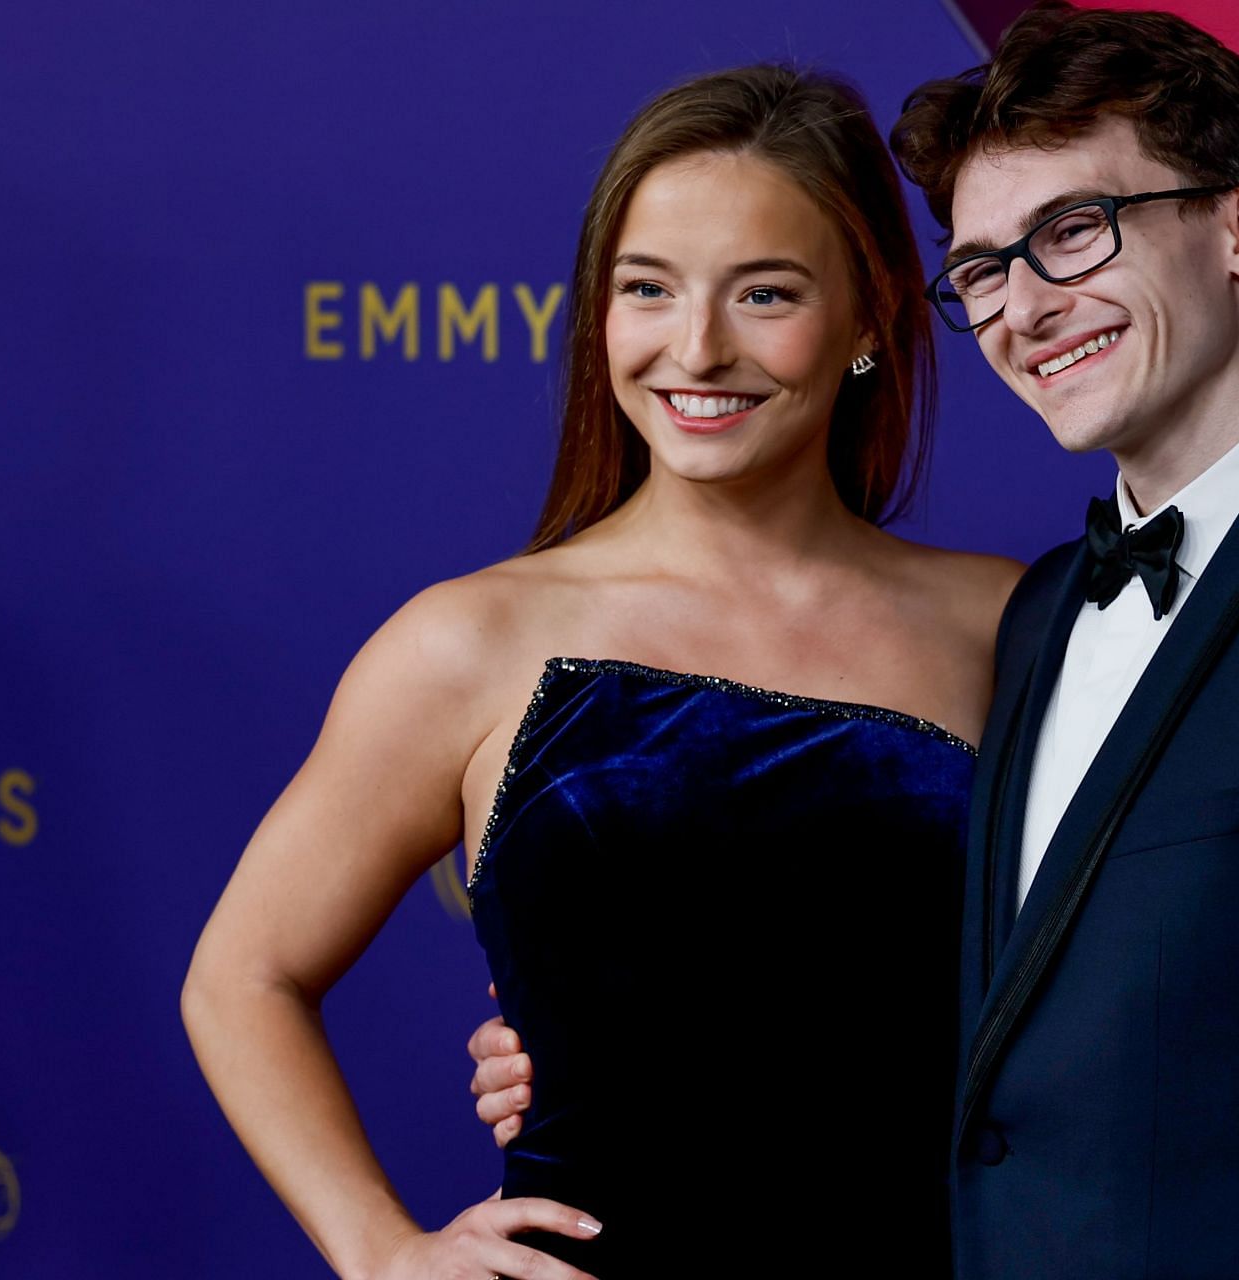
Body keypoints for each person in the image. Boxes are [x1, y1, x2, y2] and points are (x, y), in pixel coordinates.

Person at [474, 5, 1239, 1277]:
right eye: (988, 265)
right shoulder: (1047, 607)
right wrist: (611, 1025)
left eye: (1074, 232)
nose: (1027, 305)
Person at [182, 65, 1019, 1279]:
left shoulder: (1007, 623)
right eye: (647, 290)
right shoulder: (469, 641)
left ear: (872, 315)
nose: (698, 347)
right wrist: (378, 1247)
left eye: (766, 292)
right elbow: (241, 974)